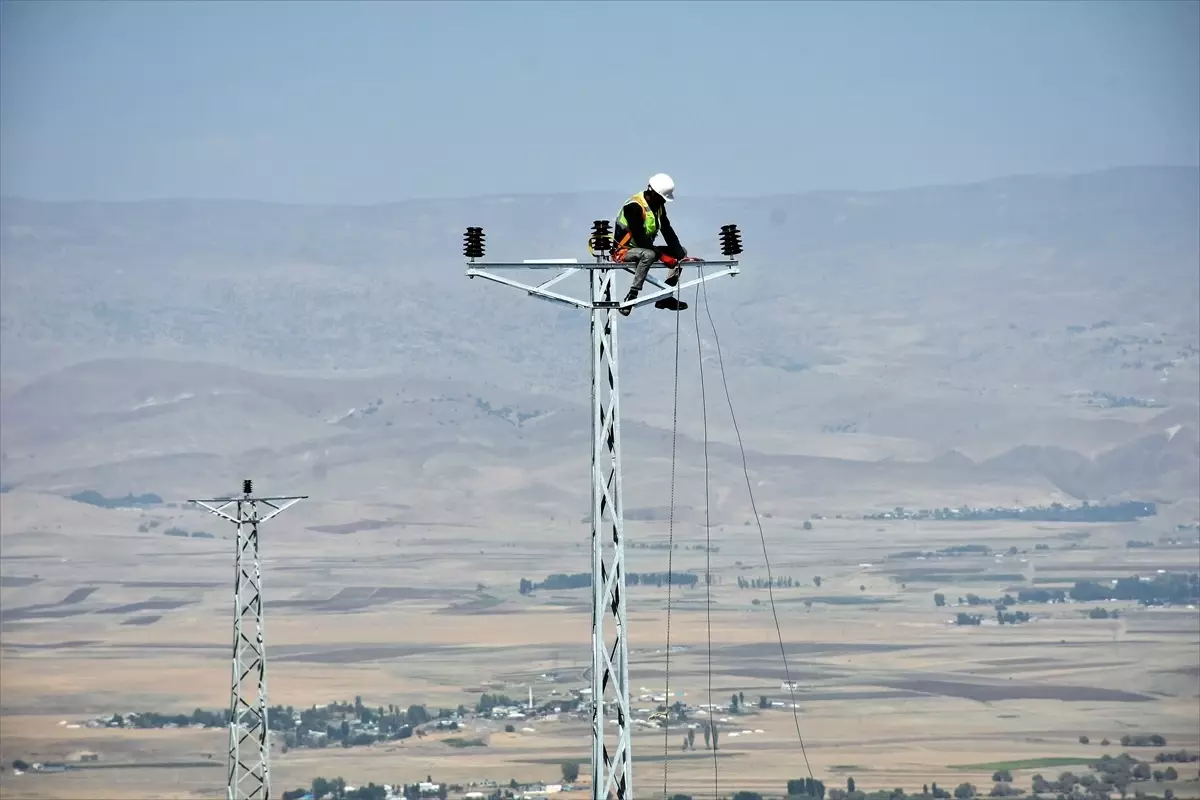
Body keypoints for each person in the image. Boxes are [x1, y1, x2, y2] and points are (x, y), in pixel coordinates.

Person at [612, 173, 691, 316]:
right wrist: (663, 257)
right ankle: (631, 297)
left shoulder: (658, 207)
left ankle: (666, 296)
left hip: (645, 247)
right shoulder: (634, 207)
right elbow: (640, 238)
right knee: (649, 254)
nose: (664, 202)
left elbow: (667, 231)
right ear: (652, 193)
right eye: (662, 198)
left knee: (682, 252)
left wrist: (680, 254)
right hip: (624, 251)